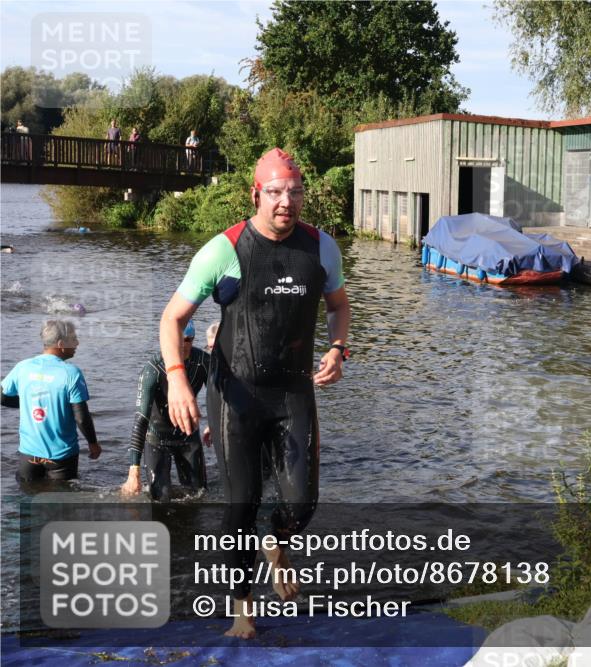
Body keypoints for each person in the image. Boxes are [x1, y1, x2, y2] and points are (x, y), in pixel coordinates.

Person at [160, 147, 350, 638]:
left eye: (295, 191)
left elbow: (338, 307)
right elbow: (172, 318)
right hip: (236, 394)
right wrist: (179, 377)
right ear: (256, 194)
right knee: (240, 505)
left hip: (292, 392)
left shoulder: (321, 247)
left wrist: (338, 349)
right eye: (275, 192)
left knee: (302, 503)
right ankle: (243, 611)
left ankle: (278, 543)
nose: (287, 201)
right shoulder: (225, 248)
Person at [0, 320, 101, 483]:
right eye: (73, 339)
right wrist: (93, 444)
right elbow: (81, 417)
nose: (77, 343)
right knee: (61, 504)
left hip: (28, 455)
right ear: (61, 344)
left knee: (28, 499)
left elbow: (2, 397)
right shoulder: (71, 373)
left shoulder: (22, 367)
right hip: (61, 457)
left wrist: (29, 401)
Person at [120, 321, 210, 500]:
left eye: (189, 340)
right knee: (161, 499)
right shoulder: (153, 369)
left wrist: (214, 424)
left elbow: (219, 396)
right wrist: (133, 470)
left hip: (188, 436)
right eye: (179, 340)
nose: (184, 345)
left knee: (198, 496)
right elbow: (141, 419)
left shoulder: (203, 361)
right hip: (157, 438)